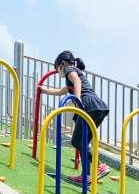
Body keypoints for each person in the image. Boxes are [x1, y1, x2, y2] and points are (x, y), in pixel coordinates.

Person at [38, 51, 110, 184]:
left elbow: (77, 81)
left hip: (88, 106)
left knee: (76, 141)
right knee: (83, 143)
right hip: (98, 108)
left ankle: (100, 166)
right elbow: (60, 92)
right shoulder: (72, 76)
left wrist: (77, 100)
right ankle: (86, 175)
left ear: (62, 64)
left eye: (57, 68)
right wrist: (43, 90)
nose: (58, 71)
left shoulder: (69, 70)